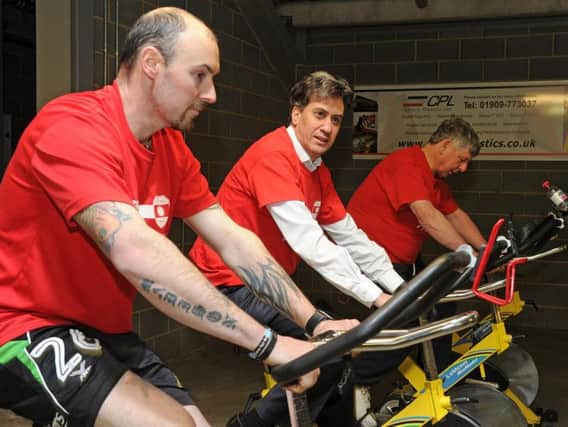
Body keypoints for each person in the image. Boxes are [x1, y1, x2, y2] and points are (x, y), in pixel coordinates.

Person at [0, 8, 357, 427]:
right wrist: (268, 343)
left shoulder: (169, 147)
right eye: (200, 75)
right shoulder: (72, 126)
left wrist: (312, 322)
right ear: (152, 64)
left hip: (105, 330)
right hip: (23, 327)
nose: (211, 94)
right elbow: (136, 252)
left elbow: (232, 239)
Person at [189, 71, 410, 427]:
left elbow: (350, 236)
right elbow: (309, 242)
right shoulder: (274, 157)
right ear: (296, 114)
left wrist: (399, 288)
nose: (327, 127)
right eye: (319, 114)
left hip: (267, 284)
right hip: (227, 281)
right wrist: (375, 297)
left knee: (333, 352)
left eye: (336, 120)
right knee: (324, 357)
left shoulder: (316, 171)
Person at [347, 116, 486, 369]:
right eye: (462, 159)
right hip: (374, 261)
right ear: (444, 145)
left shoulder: (435, 180)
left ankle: (436, 371)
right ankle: (348, 388)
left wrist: (483, 250)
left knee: (443, 297)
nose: (463, 168)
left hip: (401, 260)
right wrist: (466, 252)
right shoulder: (407, 163)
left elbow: (454, 215)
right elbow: (427, 215)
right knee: (404, 331)